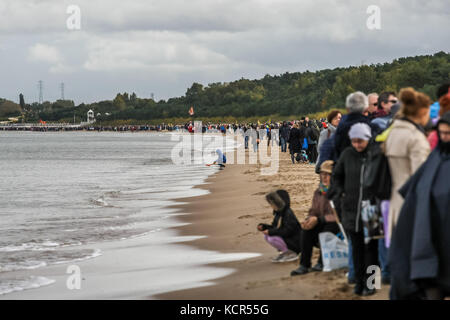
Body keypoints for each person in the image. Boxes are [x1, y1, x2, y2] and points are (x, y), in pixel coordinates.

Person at [389, 111, 450, 300]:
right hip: (432, 239)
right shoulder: (435, 159)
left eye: (449, 133)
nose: (445, 137)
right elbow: (414, 192)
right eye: (442, 133)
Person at [329, 123, 378, 296]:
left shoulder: (376, 153)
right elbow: (337, 176)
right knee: (356, 247)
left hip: (371, 209)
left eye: (361, 141)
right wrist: (339, 193)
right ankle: (359, 282)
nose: (357, 145)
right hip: (350, 207)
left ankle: (372, 283)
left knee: (371, 248)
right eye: (354, 141)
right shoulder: (347, 154)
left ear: (368, 138)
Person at [385, 87, 431, 244]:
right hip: (412, 204)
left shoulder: (391, 133)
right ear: (422, 112)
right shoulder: (415, 138)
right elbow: (421, 176)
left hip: (394, 201)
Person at [291, 161, 340, 276]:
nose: (324, 177)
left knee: (327, 230)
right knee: (306, 231)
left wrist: (319, 220)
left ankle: (321, 262)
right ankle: (304, 264)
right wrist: (310, 219)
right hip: (322, 220)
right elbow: (314, 210)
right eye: (322, 174)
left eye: (327, 174)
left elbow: (339, 215)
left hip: (337, 223)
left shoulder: (339, 191)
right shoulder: (319, 191)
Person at [258, 190, 302, 263]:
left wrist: (270, 232)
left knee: (272, 237)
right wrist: (264, 227)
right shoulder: (278, 214)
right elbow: (275, 227)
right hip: (288, 239)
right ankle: (285, 252)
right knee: (267, 236)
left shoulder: (288, 214)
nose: (272, 206)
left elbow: (287, 231)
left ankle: (291, 253)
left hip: (296, 242)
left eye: (273, 204)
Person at [334, 91, 380, 158]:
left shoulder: (341, 128)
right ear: (366, 108)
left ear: (347, 109)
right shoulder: (373, 127)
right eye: (375, 104)